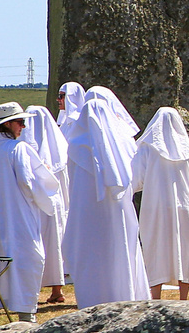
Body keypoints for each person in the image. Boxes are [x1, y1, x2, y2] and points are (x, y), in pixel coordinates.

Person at [60, 84, 149, 308]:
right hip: (119, 210)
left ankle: (92, 301)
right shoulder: (124, 143)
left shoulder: (75, 145)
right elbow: (134, 178)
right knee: (121, 252)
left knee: (91, 256)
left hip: (86, 212)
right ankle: (125, 295)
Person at [0, 103, 58, 329]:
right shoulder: (19, 149)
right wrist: (43, 198)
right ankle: (26, 312)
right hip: (17, 216)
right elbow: (27, 182)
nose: (23, 126)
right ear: (7, 124)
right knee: (28, 258)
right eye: (20, 122)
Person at [135, 107, 189, 301]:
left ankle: (155, 295)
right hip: (185, 207)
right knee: (185, 247)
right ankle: (183, 296)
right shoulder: (187, 151)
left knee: (155, 246)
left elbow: (136, 178)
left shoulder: (147, 148)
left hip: (155, 207)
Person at [20, 105, 69, 304]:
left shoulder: (23, 150)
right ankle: (56, 290)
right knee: (53, 244)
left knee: (34, 244)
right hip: (54, 204)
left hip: (33, 203)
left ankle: (32, 290)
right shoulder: (61, 150)